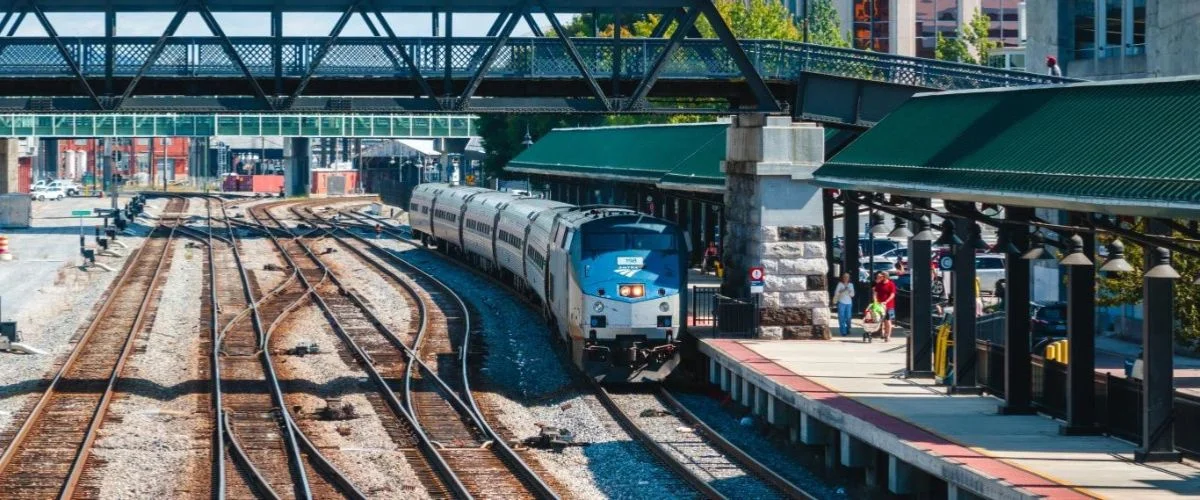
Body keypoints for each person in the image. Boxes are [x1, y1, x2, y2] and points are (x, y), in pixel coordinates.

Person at [873, 271, 897, 342]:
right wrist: (875, 301)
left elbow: (892, 294)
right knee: (879, 320)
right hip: (879, 305)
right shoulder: (879, 284)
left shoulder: (891, 284)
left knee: (888, 321)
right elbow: (875, 293)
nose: (880, 278)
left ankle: (888, 335)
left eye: (881, 276)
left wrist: (886, 301)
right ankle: (881, 333)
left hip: (888, 306)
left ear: (885, 276)